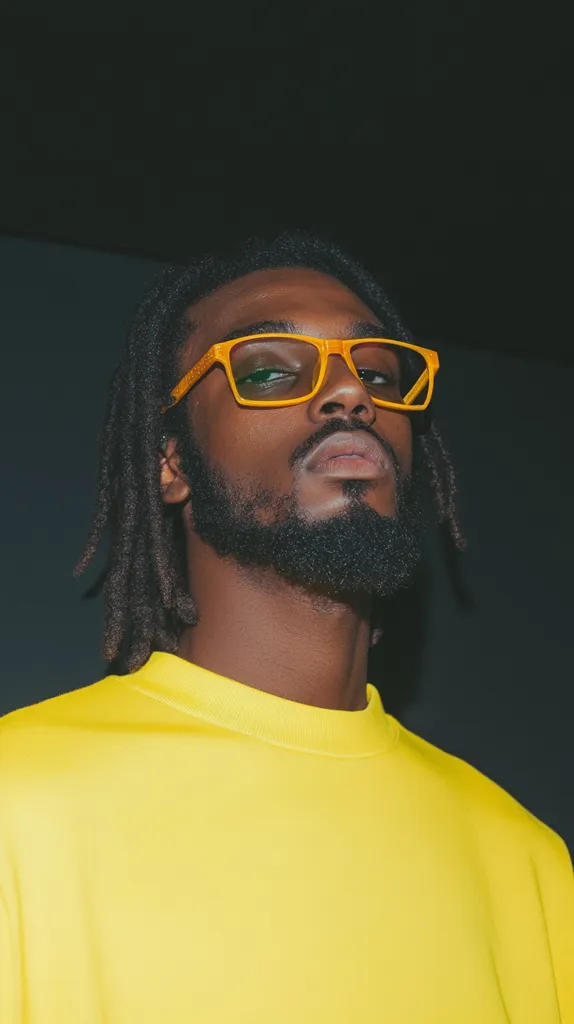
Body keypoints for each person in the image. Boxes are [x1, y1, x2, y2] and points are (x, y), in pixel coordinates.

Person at [0, 233, 572, 1023]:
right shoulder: (19, 800)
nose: (350, 394)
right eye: (269, 370)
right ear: (172, 463)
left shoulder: (528, 860)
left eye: (378, 373)